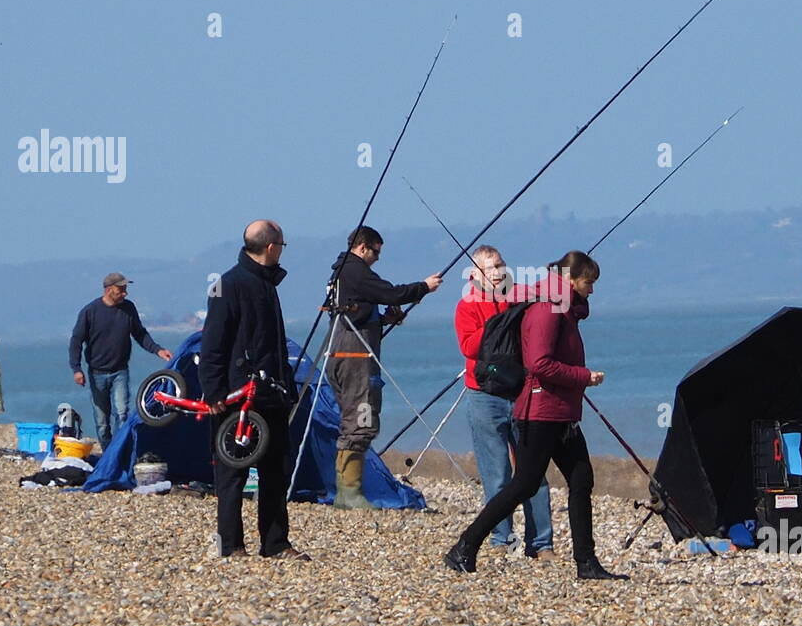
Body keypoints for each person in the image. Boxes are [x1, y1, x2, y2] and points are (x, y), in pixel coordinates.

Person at [445, 251, 627, 581]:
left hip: (561, 412)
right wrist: (584, 376)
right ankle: (465, 546)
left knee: (581, 479)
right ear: (572, 280)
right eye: (589, 283)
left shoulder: (563, 306)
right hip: (541, 411)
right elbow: (539, 364)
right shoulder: (546, 308)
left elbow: (576, 317)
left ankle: (586, 563)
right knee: (524, 484)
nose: (592, 290)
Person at [200, 220, 305, 560]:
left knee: (276, 469)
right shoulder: (229, 284)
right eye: (282, 246)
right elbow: (213, 343)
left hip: (272, 392)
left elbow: (274, 344)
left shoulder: (267, 284)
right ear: (272, 247)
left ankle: (275, 543)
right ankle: (231, 545)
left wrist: (288, 386)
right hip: (236, 396)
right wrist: (214, 392)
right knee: (232, 473)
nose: (282, 252)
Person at [326, 226, 442, 509]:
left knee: (351, 419)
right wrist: (424, 287)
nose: (378, 258)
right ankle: (349, 493)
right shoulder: (355, 271)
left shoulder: (341, 274)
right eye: (376, 252)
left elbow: (362, 311)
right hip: (355, 360)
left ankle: (347, 490)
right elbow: (390, 293)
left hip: (340, 355)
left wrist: (385, 319)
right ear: (363, 247)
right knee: (362, 419)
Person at [454, 245, 554, 558]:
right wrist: (497, 324)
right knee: (496, 474)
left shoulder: (518, 294)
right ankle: (501, 540)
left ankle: (541, 543)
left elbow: (543, 296)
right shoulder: (467, 306)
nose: (498, 272)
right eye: (491, 268)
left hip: (521, 393)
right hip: (484, 395)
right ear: (475, 275)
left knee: (533, 473)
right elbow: (469, 347)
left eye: (501, 265)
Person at [69, 273, 172, 449]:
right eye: (121, 289)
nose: (125, 293)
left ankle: (120, 451)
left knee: (122, 413)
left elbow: (140, 333)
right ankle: (107, 450)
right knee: (102, 421)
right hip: (97, 372)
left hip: (120, 372)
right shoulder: (90, 312)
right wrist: (77, 369)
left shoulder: (129, 309)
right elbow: (76, 341)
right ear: (109, 290)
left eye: (125, 289)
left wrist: (158, 350)